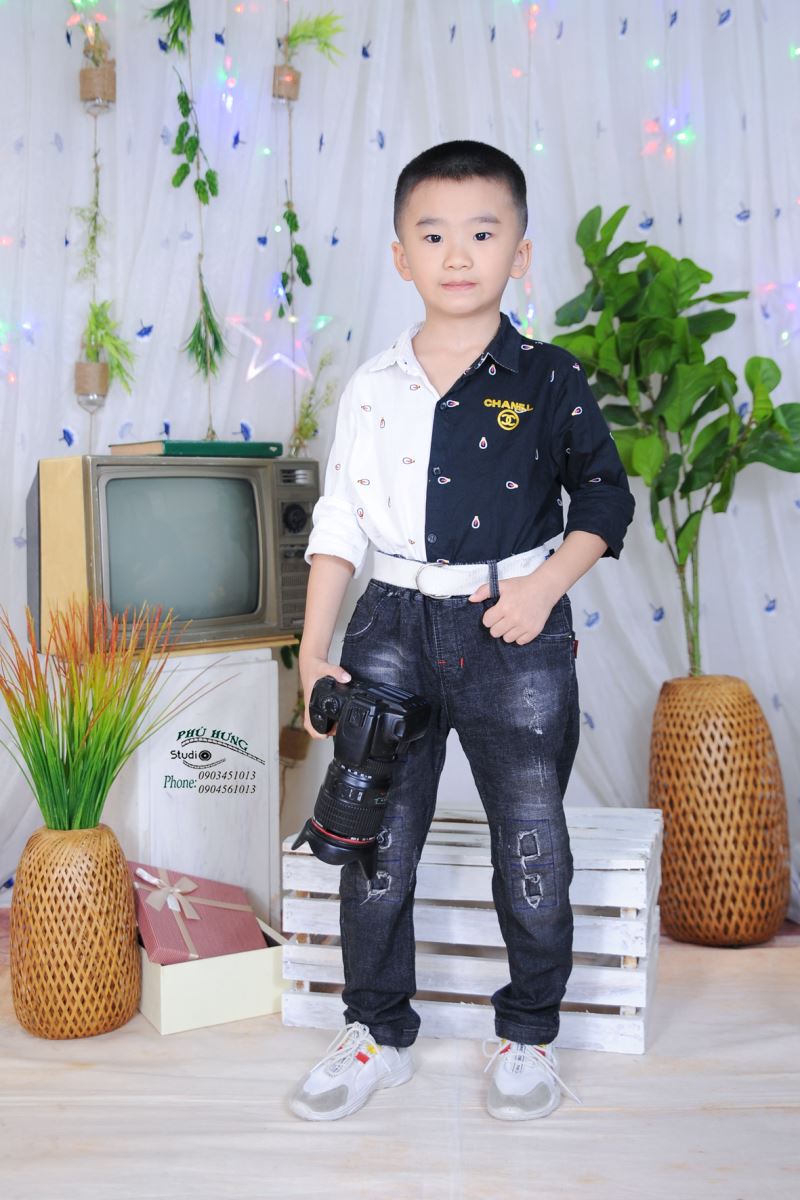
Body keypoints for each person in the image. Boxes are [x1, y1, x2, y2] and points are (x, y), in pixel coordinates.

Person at [290, 140, 635, 1123]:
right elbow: (339, 525)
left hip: (512, 633)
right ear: (400, 255)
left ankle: (528, 1037)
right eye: (432, 234)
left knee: (530, 844)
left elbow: (604, 498)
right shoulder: (372, 385)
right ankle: (374, 1032)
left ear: (518, 253)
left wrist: (542, 588)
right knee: (374, 843)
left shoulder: (550, 378)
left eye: (481, 234)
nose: (456, 254)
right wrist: (313, 655)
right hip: (388, 631)